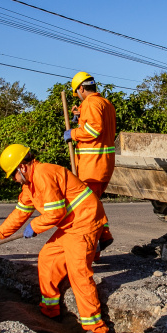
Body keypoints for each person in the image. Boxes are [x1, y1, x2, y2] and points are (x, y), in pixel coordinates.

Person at [0, 144, 111, 333]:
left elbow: (55, 213)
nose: (13, 179)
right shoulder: (29, 186)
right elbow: (19, 214)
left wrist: (35, 226)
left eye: (13, 174)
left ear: (22, 167)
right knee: (47, 258)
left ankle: (97, 330)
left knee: (79, 274)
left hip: (84, 221)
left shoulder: (43, 174)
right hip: (71, 225)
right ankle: (50, 311)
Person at [65, 72, 116, 254]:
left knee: (87, 208)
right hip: (104, 164)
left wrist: (72, 134)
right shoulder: (105, 104)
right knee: (93, 204)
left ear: (80, 88)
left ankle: (101, 239)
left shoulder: (90, 103)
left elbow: (93, 131)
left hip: (92, 166)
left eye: (77, 92)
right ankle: (100, 242)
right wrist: (80, 117)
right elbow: (99, 127)